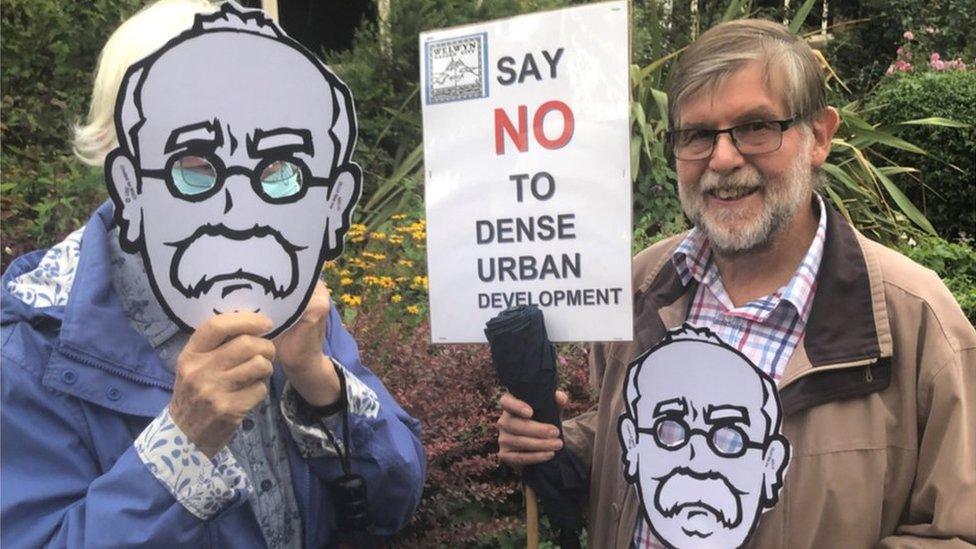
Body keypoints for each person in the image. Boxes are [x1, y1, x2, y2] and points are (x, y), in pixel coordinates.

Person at [496, 18, 976, 548]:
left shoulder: (916, 320)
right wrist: (558, 444)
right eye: (698, 135)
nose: (722, 160)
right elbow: (629, 449)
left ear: (818, 137)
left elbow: (956, 532)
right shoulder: (642, 287)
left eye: (755, 127)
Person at [1, 2, 425, 547]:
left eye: (277, 168)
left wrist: (319, 383)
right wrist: (182, 441)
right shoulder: (36, 349)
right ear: (123, 175)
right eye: (195, 167)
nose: (242, 212)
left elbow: (397, 498)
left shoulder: (290, 294)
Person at [619, 324, 790, 548]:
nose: (698, 465)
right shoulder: (641, 304)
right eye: (669, 429)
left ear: (772, 464)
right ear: (632, 443)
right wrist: (563, 440)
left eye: (731, 438)